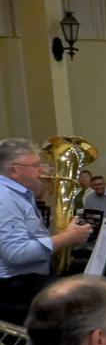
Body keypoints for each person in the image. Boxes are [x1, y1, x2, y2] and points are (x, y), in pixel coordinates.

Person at [0, 139, 92, 335]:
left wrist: (63, 231)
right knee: (87, 297)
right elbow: (16, 253)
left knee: (92, 269)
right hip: (14, 286)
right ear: (14, 170)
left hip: (28, 276)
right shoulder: (4, 199)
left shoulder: (18, 194)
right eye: (35, 165)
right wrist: (67, 237)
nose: (42, 170)